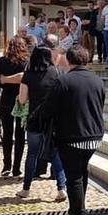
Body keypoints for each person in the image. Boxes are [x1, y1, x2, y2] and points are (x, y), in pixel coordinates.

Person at [40, 46, 106, 215]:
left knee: (74, 176)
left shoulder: (64, 81)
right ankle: (79, 209)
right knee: (81, 172)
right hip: (94, 135)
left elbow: (48, 108)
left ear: (68, 60)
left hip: (73, 136)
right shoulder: (97, 80)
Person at [16, 46, 67, 202]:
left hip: (34, 118)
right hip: (53, 119)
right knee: (55, 153)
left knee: (32, 154)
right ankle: (61, 188)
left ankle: (26, 189)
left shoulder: (28, 75)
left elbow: (22, 99)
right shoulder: (57, 73)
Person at [0, 37, 29, 177]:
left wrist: (6, 79)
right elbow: (25, 79)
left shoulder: (1, 62)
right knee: (20, 135)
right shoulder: (25, 62)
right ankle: (16, 168)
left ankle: (6, 165)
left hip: (6, 99)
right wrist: (17, 79)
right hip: (21, 99)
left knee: (7, 134)